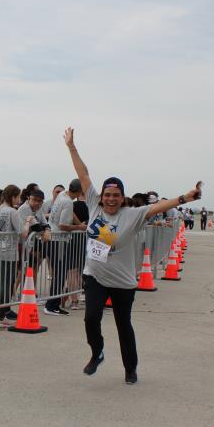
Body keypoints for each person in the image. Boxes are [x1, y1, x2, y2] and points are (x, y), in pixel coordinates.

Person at [64, 128, 202, 385]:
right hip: (95, 276)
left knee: (123, 325)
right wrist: (72, 147)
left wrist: (185, 197)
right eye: (107, 195)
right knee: (91, 319)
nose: (111, 199)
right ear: (101, 196)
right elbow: (83, 174)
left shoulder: (132, 215)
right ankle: (97, 352)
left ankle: (130, 368)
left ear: (122, 197)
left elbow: (159, 206)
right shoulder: (93, 204)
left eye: (116, 195)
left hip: (123, 282)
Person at [0, 184, 24, 328]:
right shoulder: (12, 211)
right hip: (8, 252)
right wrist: (28, 222)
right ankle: (1, 317)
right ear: (13, 196)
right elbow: (22, 232)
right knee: (6, 284)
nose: (19, 200)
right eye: (18, 197)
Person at [45, 179, 85, 316]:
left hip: (53, 238)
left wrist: (79, 224)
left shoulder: (62, 195)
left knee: (59, 273)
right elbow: (63, 225)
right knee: (61, 274)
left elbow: (69, 214)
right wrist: (79, 227)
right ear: (79, 192)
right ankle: (52, 305)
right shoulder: (68, 202)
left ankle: (52, 304)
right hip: (59, 240)